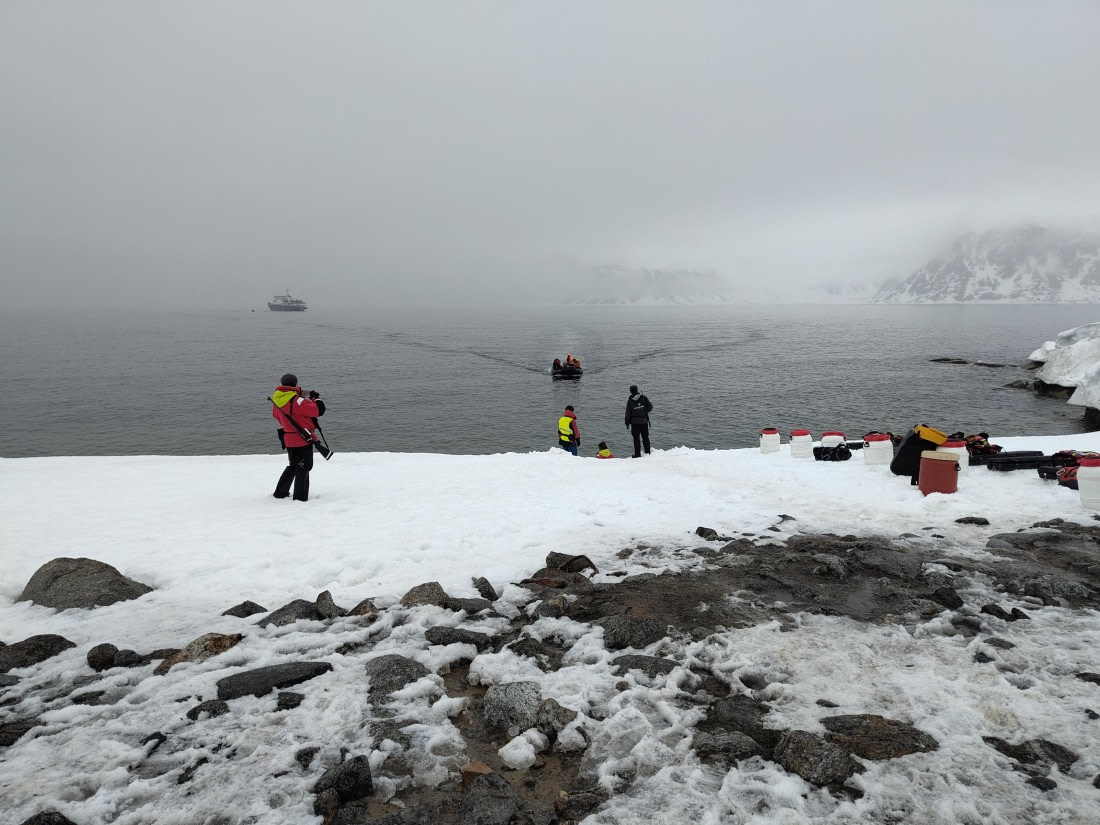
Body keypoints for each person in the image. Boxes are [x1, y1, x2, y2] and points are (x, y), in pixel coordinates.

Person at [271, 372, 326, 501]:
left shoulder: (276, 400)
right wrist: (315, 398)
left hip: (288, 438)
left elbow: (276, 416)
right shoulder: (297, 400)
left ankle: (280, 493)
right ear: (295, 383)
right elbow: (319, 410)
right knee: (304, 467)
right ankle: (300, 498)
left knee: (293, 465)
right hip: (302, 439)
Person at [624, 384, 653, 458]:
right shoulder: (643, 398)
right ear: (637, 390)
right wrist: (644, 410)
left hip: (634, 424)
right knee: (645, 438)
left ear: (630, 391)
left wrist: (627, 424)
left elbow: (627, 414)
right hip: (644, 422)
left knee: (636, 440)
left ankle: (637, 454)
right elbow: (650, 408)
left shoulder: (630, 401)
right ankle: (647, 452)